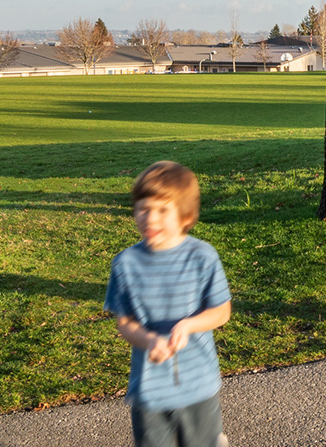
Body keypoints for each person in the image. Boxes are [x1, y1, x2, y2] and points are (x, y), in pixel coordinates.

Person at [107, 160, 234, 447]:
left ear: (185, 216)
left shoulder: (202, 257)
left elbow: (221, 311)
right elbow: (125, 324)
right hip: (149, 390)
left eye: (162, 210)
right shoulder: (125, 264)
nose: (150, 219)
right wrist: (149, 339)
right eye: (143, 208)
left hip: (198, 385)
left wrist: (189, 325)